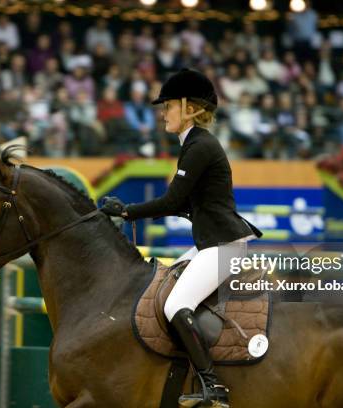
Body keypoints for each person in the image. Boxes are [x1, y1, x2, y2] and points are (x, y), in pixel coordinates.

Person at [100, 68, 262, 407]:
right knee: (163, 290)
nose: (163, 113)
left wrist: (127, 211)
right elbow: (185, 205)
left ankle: (211, 386)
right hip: (211, 243)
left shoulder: (200, 146)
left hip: (223, 247)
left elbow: (172, 201)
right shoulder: (193, 145)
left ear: (190, 108)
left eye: (169, 106)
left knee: (176, 304)